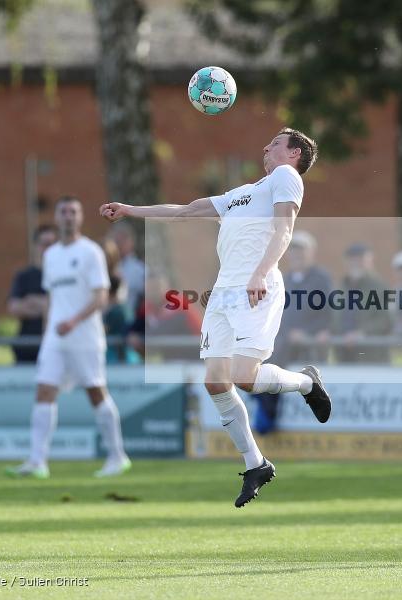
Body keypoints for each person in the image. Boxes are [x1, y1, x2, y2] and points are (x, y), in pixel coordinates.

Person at [100, 128, 332, 507]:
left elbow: (285, 228)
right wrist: (130, 209)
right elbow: (186, 211)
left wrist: (260, 272)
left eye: (275, 143)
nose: (266, 146)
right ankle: (256, 464)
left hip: (256, 287)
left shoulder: (286, 176)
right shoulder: (243, 193)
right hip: (223, 293)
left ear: (294, 154)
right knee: (215, 382)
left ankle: (307, 383)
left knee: (245, 377)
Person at [6, 196, 131, 479]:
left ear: (81, 217)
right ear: (56, 217)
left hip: (84, 336)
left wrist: (73, 321)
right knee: (44, 391)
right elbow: (52, 298)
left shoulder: (90, 252)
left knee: (95, 392)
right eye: (63, 212)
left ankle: (117, 456)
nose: (68, 217)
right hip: (55, 338)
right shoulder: (51, 255)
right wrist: (47, 332)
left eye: (73, 212)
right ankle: (37, 461)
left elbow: (101, 296)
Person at [253, 230, 333, 434]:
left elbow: (328, 313)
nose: (297, 254)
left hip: (309, 346)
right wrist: (288, 332)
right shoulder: (283, 279)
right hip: (284, 343)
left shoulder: (321, 279)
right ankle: (264, 404)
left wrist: (309, 332)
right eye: (293, 250)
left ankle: (266, 403)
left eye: (302, 250)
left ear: (312, 252)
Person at [332, 242, 392, 364]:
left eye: (360, 259)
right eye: (352, 259)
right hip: (344, 353)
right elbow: (335, 316)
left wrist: (362, 333)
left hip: (371, 355)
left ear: (370, 261)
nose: (355, 263)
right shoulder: (342, 286)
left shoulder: (379, 287)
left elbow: (386, 320)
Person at [8, 226, 57, 363]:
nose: (49, 249)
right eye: (45, 244)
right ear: (36, 246)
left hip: (55, 345)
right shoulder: (24, 276)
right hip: (27, 346)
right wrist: (48, 306)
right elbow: (14, 307)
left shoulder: (62, 275)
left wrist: (33, 301)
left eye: (52, 244)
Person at [128, 275, 202, 361]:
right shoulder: (147, 306)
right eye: (149, 289)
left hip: (194, 355)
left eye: (156, 288)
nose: (153, 292)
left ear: (167, 287)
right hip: (171, 357)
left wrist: (140, 338)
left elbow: (163, 331)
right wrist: (132, 334)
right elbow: (134, 327)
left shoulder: (178, 303)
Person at [107, 223, 146, 315]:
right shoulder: (105, 265)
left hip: (128, 318)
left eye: (122, 241)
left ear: (131, 242)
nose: (119, 245)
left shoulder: (140, 270)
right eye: (116, 241)